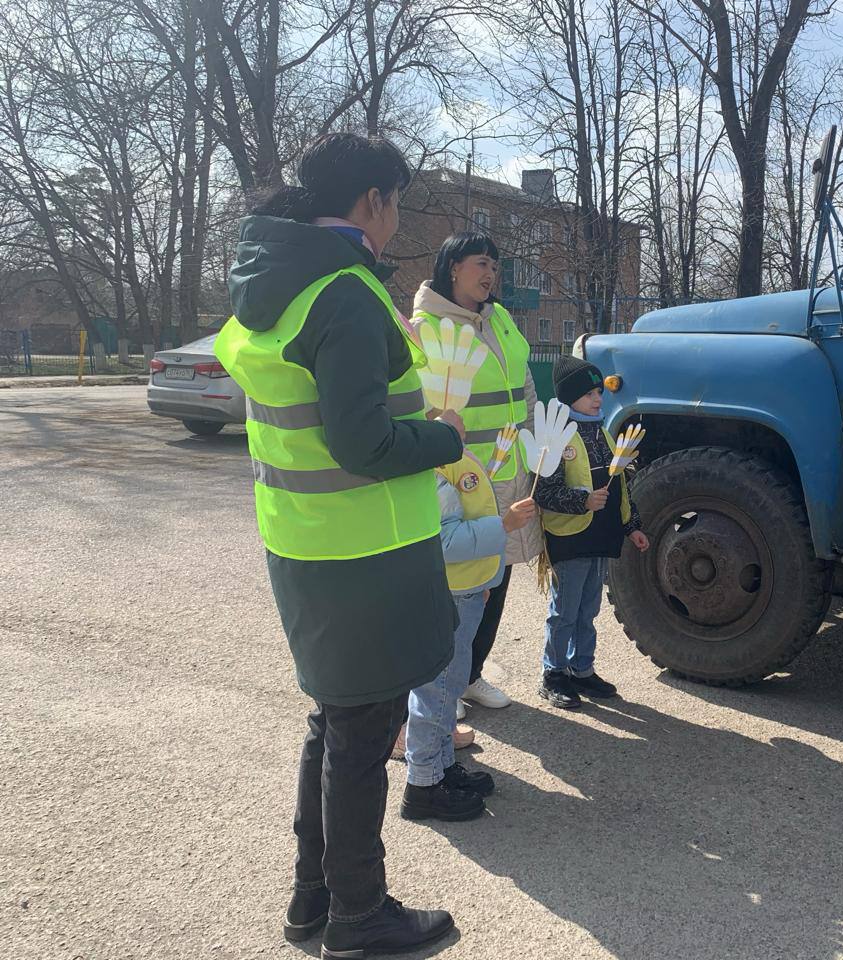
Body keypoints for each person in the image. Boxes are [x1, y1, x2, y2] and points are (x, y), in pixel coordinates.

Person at [214, 132, 466, 958]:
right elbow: (363, 444)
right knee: (361, 740)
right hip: (366, 558)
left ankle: (313, 900)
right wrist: (442, 438)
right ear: (372, 203)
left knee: (334, 726)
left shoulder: (274, 285)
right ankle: (360, 917)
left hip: (305, 546)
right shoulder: (346, 293)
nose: (396, 222)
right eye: (395, 204)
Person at [412, 234, 540, 713]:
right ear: (452, 268)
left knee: (495, 579)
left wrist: (529, 449)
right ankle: (438, 682)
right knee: (456, 586)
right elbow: (418, 405)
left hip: (506, 473)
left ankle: (469, 675)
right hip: (457, 479)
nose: (491, 275)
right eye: (481, 263)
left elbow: (523, 385)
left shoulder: (499, 318)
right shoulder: (426, 326)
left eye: (496, 266)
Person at [400, 451, 537, 821]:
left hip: (464, 592)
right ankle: (423, 784)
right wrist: (505, 525)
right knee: (437, 691)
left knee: (449, 686)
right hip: (451, 595)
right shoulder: (431, 472)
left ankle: (442, 769)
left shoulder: (448, 462)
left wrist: (482, 581)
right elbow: (443, 541)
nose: (461, 421)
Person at [532, 356, 649, 709]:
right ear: (569, 398)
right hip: (570, 538)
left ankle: (582, 669)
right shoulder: (556, 435)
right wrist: (582, 501)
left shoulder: (601, 431)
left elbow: (621, 487)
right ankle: (554, 673)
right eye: (588, 394)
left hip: (600, 536)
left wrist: (631, 527)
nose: (598, 399)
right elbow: (543, 491)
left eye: (599, 391)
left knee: (587, 609)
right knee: (564, 609)